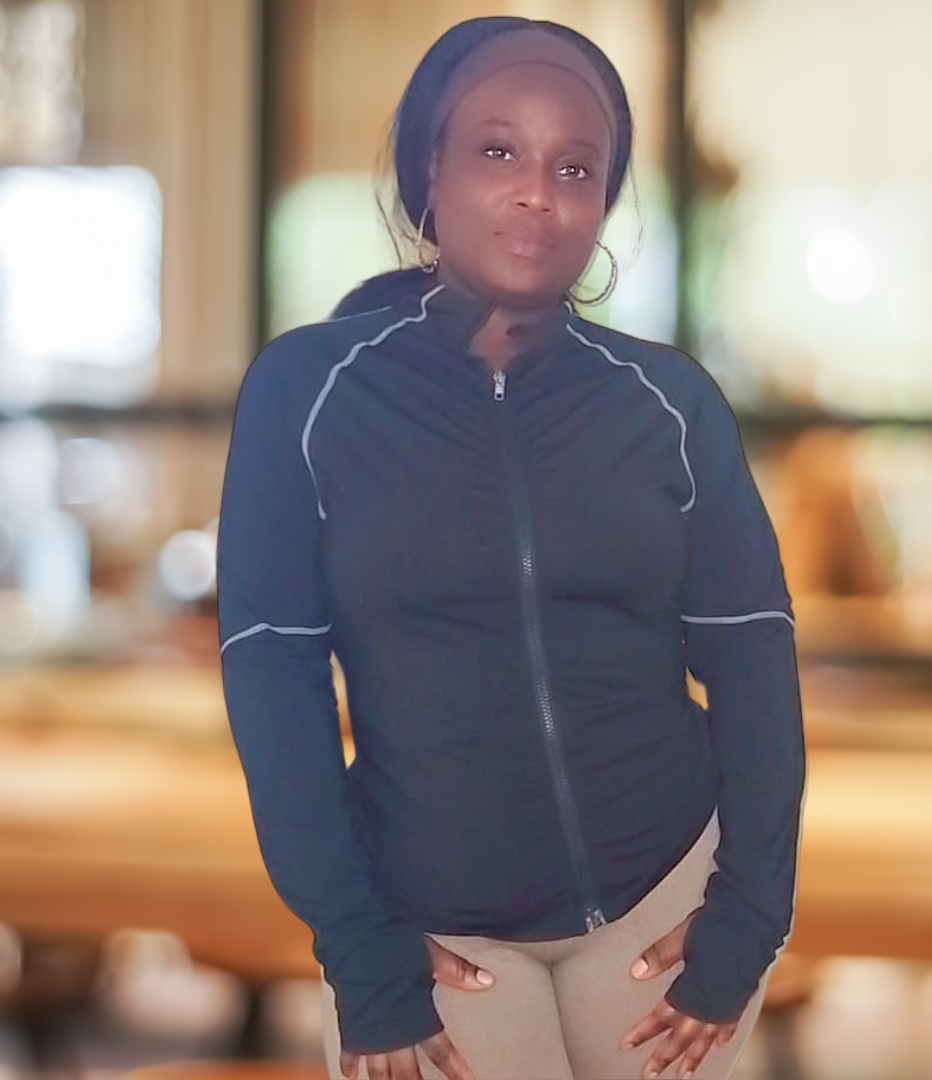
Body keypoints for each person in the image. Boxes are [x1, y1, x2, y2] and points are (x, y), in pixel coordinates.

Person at [217, 16, 805, 1080]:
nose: (538, 193)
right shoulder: (307, 394)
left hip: (664, 898)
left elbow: (754, 657)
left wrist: (751, 913)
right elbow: (273, 679)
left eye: (575, 168)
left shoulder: (669, 403)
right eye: (498, 151)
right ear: (427, 171)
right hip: (433, 922)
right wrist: (360, 945)